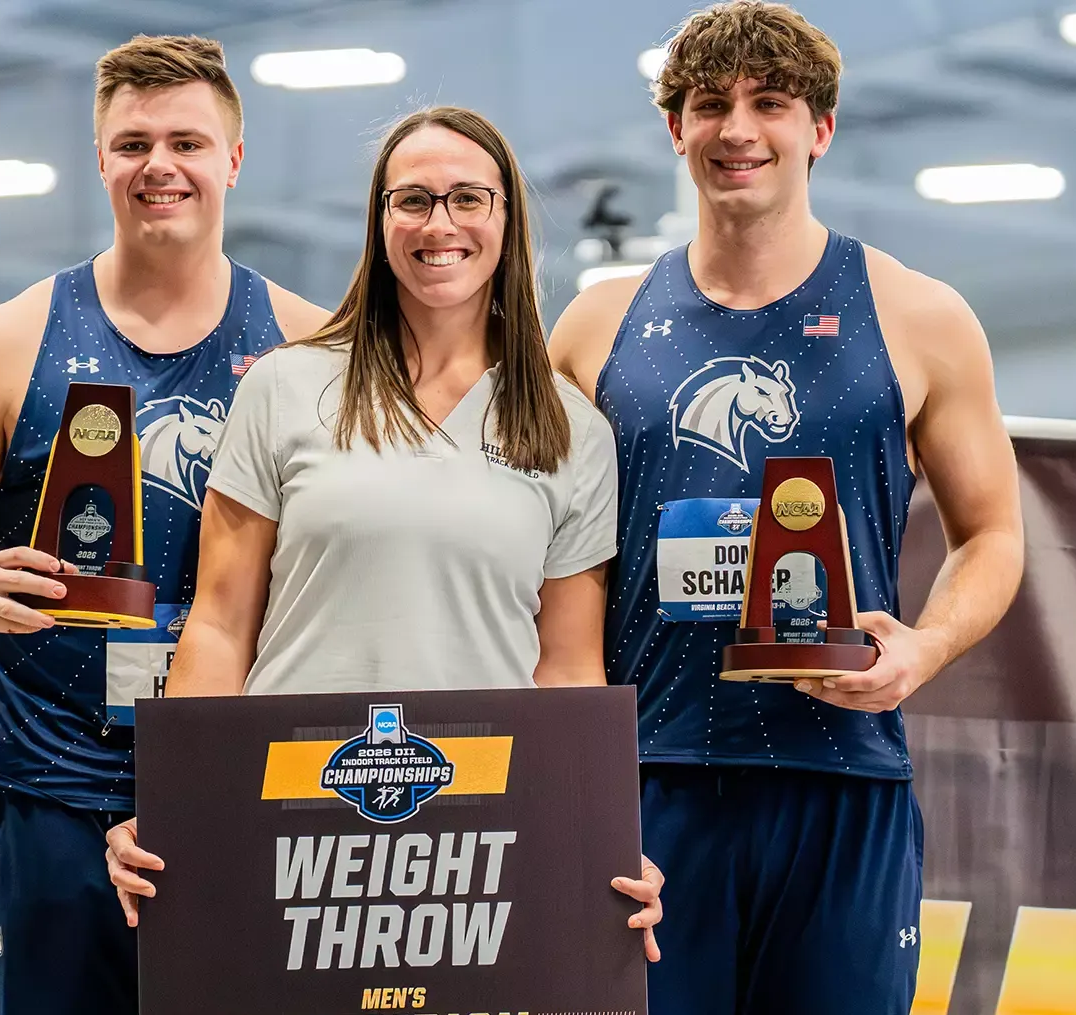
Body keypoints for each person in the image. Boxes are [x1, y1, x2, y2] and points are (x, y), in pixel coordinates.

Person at [0, 34, 328, 1015]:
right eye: (132, 141)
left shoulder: (308, 350)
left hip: (247, 792)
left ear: (235, 158)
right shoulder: (6, 345)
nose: (161, 164)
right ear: (98, 159)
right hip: (53, 793)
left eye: (187, 140)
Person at [547, 3, 1025, 1015]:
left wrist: (925, 646)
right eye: (709, 105)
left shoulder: (917, 314)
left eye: (770, 103)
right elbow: (533, 562)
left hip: (839, 782)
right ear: (674, 129)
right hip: (643, 784)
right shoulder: (591, 327)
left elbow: (991, 533)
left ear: (822, 127)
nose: (738, 129)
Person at [101, 105, 665, 956]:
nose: (441, 225)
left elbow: (570, 669)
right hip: (286, 819)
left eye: (468, 198)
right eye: (413, 201)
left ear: (507, 220)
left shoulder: (569, 430)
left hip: (481, 839)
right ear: (379, 222)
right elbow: (219, 625)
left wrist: (600, 843)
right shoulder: (286, 389)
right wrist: (175, 801)